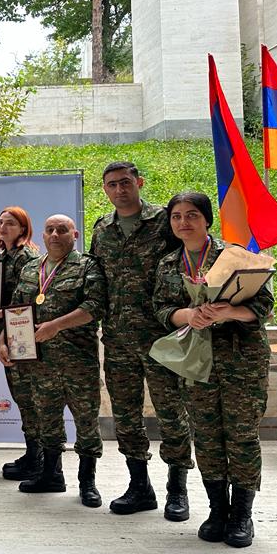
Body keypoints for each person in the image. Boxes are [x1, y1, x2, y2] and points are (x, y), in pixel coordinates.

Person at [153, 192, 272, 548]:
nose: (183, 222)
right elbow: (161, 309)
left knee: (241, 436)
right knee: (206, 436)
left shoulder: (235, 257)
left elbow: (263, 305)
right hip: (196, 362)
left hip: (241, 361)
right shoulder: (168, 264)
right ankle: (218, 510)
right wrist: (189, 315)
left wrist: (228, 312)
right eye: (176, 216)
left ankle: (242, 515)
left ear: (207, 219)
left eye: (192, 215)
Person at [90, 161, 193, 520]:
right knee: (126, 416)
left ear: (139, 183)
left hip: (162, 337)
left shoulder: (166, 221)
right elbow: (97, 279)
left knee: (171, 414)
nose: (119, 190)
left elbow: (188, 265)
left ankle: (177, 490)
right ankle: (139, 487)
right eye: (111, 185)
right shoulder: (102, 228)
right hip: (118, 338)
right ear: (105, 189)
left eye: (125, 182)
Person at [0, 214, 107, 508]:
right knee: (47, 420)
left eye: (62, 230)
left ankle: (87, 482)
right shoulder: (32, 268)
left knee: (86, 422)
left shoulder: (87, 266)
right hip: (40, 363)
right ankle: (51, 474)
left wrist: (56, 326)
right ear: (43, 236)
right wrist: (3, 339)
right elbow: (17, 307)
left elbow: (94, 306)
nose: (55, 235)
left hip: (77, 362)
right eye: (50, 230)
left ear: (74, 235)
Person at [0, 206, 40, 478]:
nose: (3, 227)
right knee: (22, 397)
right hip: (8, 334)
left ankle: (39, 459)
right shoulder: (4, 256)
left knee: (28, 398)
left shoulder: (27, 257)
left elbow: (31, 300)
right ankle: (33, 453)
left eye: (11, 223)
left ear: (23, 229)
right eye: (0, 222)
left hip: (22, 336)